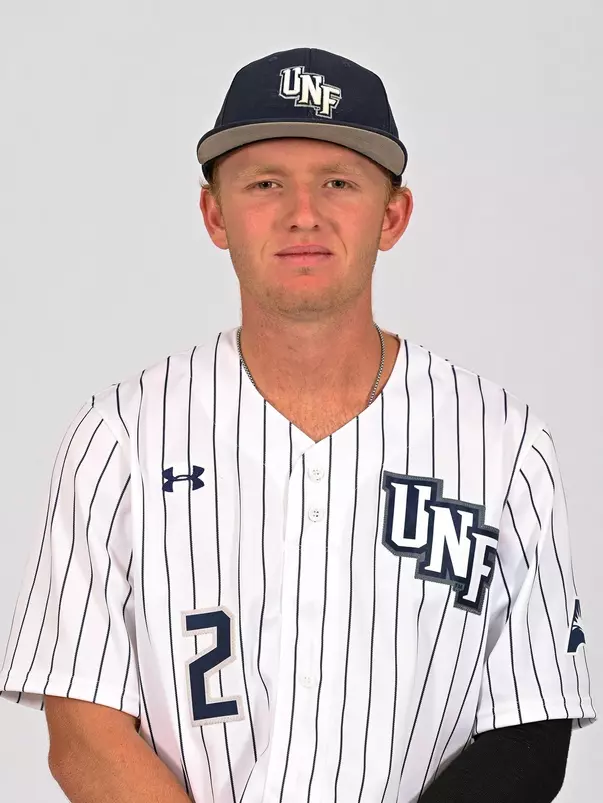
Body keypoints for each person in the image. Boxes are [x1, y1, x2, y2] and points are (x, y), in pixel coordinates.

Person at [0, 46, 596, 803]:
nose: (302, 213)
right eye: (265, 183)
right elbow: (82, 729)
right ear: (215, 214)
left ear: (393, 215)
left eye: (337, 182)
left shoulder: (504, 447)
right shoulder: (118, 438)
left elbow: (530, 727)